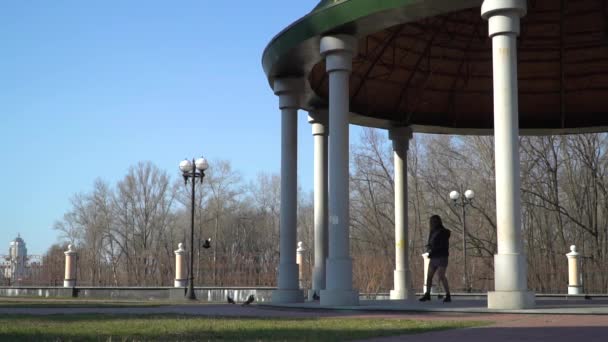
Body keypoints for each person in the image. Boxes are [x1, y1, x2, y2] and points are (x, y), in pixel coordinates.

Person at [419, 215, 451, 303]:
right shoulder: (432, 232)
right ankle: (427, 294)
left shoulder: (443, 232)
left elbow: (442, 245)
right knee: (429, 276)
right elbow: (431, 242)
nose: (433, 223)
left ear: (438, 222)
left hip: (441, 256)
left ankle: (448, 295)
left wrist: (433, 249)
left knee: (441, 275)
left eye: (434, 221)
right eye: (432, 221)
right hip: (434, 257)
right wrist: (429, 247)